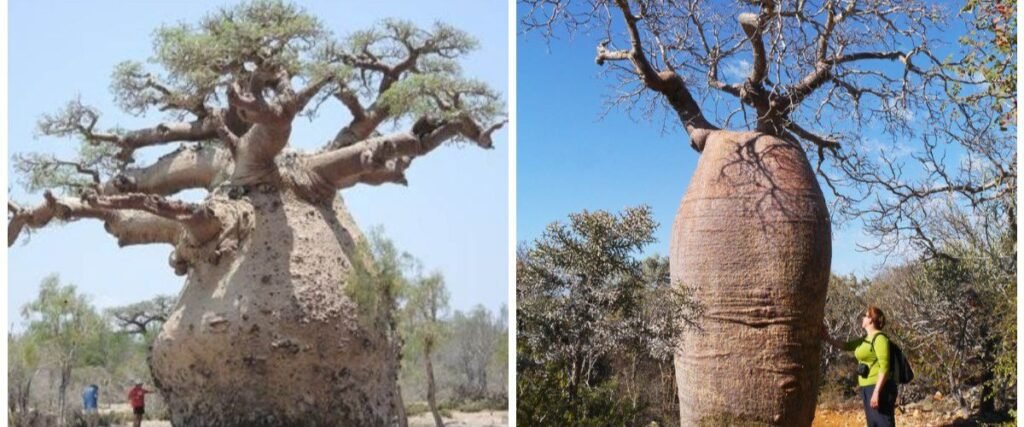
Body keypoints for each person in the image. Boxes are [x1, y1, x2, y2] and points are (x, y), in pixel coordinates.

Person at [822, 306, 898, 427]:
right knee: (873, 424)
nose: (862, 318)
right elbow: (846, 346)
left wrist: (876, 392)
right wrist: (827, 337)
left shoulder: (880, 339)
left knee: (883, 423)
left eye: (865, 315)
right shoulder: (864, 339)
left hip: (879, 388)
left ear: (871, 320)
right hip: (866, 387)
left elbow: (884, 367)